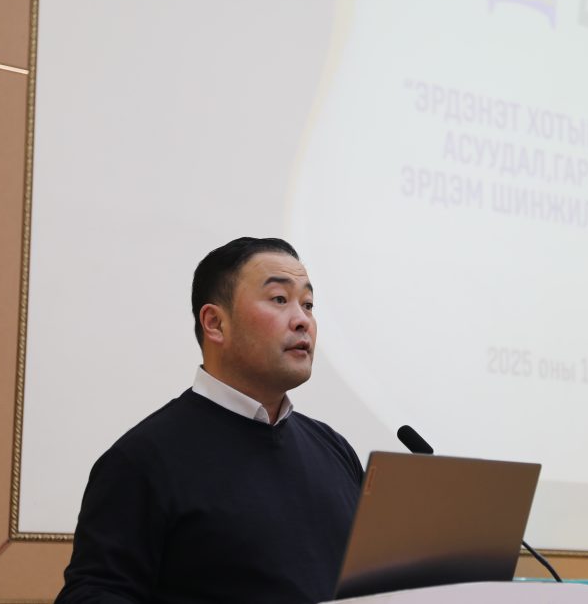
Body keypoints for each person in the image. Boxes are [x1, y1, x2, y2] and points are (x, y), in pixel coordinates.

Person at [55, 237, 363, 604]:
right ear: (215, 323)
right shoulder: (142, 459)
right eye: (280, 299)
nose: (302, 321)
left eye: (308, 304)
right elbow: (92, 594)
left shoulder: (334, 450)